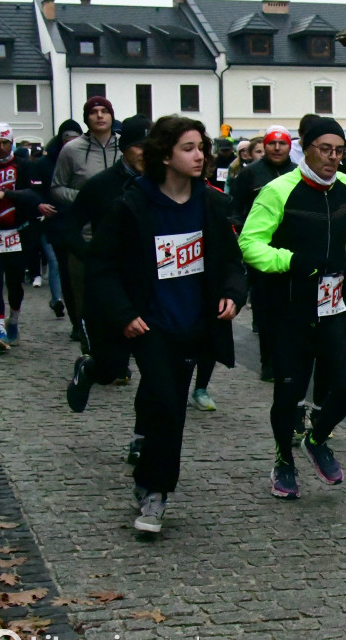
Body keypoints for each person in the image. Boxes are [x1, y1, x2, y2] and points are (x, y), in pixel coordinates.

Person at [86, 115, 246, 534]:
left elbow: (232, 260)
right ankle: (155, 493)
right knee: (165, 402)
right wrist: (123, 314)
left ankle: (149, 479)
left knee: (169, 405)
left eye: (201, 148)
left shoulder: (211, 203)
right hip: (149, 323)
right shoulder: (133, 204)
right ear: (165, 155)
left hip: (192, 324)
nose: (199, 156)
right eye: (188, 148)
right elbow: (100, 267)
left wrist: (232, 293)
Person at [238, 116, 346, 500]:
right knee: (288, 394)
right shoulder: (278, 191)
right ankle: (284, 461)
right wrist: (290, 261)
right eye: (324, 149)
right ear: (305, 149)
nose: (333, 157)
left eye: (339, 150)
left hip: (330, 305)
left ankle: (316, 439)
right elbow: (249, 243)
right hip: (289, 306)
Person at [65, 115, 151, 426]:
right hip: (109, 287)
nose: (146, 154)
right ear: (125, 148)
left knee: (156, 371)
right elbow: (69, 226)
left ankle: (143, 437)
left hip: (149, 288)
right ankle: (90, 368)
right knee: (112, 367)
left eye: (152, 147)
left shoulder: (164, 184)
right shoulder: (101, 185)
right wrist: (90, 257)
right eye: (140, 147)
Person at [0, 123, 57, 351]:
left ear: (11, 143)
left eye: (5, 143)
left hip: (18, 231)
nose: (0, 147)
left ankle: (14, 320)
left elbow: (34, 194)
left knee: (14, 281)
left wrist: (5, 193)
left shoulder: (24, 166)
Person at [51, 96, 121, 345]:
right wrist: (85, 198)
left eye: (104, 111)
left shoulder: (125, 148)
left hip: (121, 235)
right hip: (85, 235)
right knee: (84, 295)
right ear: (86, 118)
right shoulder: (71, 150)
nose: (99, 116)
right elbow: (56, 187)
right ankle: (89, 346)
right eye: (94, 112)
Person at [233, 125, 297, 381]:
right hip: (262, 251)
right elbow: (235, 208)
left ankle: (293, 358)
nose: (277, 148)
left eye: (282, 143)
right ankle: (268, 363)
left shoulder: (298, 172)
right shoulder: (250, 174)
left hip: (292, 248)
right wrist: (244, 232)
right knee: (265, 310)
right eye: (272, 143)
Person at [30, 119, 83, 321]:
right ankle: (65, 307)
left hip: (80, 222)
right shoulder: (45, 164)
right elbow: (35, 190)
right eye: (68, 139)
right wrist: (41, 204)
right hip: (55, 221)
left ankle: (82, 315)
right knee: (59, 266)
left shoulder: (85, 159)